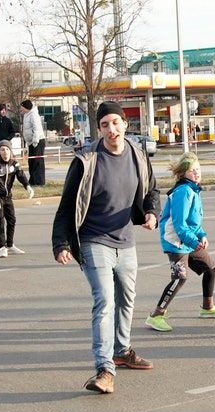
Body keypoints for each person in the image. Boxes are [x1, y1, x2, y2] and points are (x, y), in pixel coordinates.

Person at [52, 101, 160, 394]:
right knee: (105, 301)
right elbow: (67, 206)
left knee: (127, 298)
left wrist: (152, 213)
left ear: (125, 124)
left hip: (125, 241)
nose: (111, 129)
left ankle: (121, 351)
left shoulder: (138, 155)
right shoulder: (87, 160)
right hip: (92, 240)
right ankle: (104, 369)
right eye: (104, 125)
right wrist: (61, 243)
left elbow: (152, 190)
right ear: (98, 129)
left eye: (115, 123)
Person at [145, 153, 215, 332]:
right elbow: (179, 224)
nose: (197, 173)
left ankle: (207, 308)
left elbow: (193, 222)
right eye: (192, 170)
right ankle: (156, 316)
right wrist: (193, 241)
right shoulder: (184, 191)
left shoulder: (193, 190)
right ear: (184, 173)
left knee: (210, 268)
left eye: (198, 169)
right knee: (179, 277)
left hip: (188, 240)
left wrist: (202, 235)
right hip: (175, 241)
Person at [0, 139, 33, 257]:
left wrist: (27, 186)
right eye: (2, 150)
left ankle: (10, 245)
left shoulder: (14, 164)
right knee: (0, 221)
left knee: (12, 220)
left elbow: (21, 176)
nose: (5, 152)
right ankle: (2, 247)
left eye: (7, 149)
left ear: (10, 151)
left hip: (8, 198)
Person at [20, 99, 47, 186]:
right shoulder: (26, 115)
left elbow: (36, 128)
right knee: (31, 161)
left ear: (26, 107)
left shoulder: (34, 115)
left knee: (37, 161)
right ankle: (33, 180)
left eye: (22, 107)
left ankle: (39, 181)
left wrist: (35, 141)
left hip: (37, 141)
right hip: (31, 142)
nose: (21, 109)